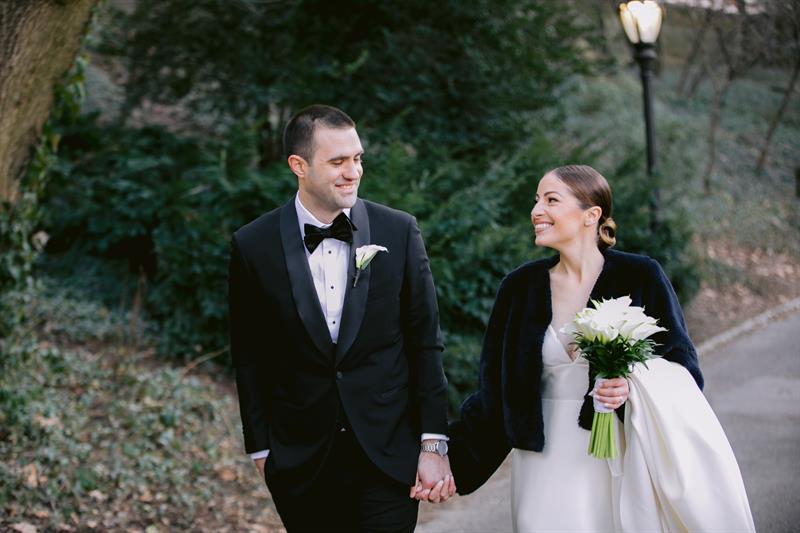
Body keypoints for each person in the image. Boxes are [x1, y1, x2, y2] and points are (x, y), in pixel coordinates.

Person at [228, 104, 455, 532]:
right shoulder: (252, 245)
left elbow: (425, 342)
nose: (353, 172)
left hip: (388, 453)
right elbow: (250, 354)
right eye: (337, 161)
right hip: (301, 458)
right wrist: (260, 448)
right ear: (299, 165)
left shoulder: (399, 232)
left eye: (358, 158)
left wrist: (433, 442)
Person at [447, 164, 705, 532]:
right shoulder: (519, 287)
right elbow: (494, 391)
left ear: (592, 215)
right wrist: (446, 460)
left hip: (617, 453)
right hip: (541, 460)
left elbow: (684, 367)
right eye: (536, 200)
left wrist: (633, 385)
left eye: (551, 199)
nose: (537, 210)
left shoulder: (641, 276)